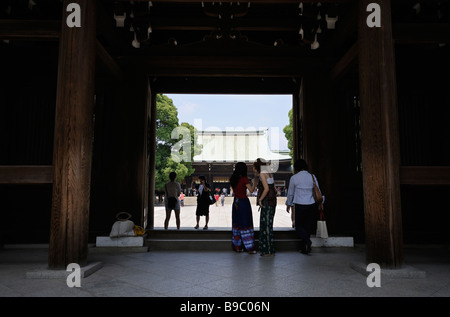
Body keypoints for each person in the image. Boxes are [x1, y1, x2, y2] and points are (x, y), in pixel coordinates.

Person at [286, 159, 324, 254]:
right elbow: (318, 191)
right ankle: (305, 248)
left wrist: (289, 204)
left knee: (298, 226)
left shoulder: (294, 178)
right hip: (311, 204)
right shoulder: (312, 177)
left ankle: (307, 242)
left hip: (299, 204)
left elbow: (290, 193)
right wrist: (321, 203)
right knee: (307, 227)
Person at [229, 162, 258, 254]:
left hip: (236, 202)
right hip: (243, 202)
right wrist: (254, 183)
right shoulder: (244, 179)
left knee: (237, 223)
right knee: (246, 223)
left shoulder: (233, 179)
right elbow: (251, 190)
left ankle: (237, 246)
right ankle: (249, 247)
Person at [254, 158, 277, 257]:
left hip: (267, 202)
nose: (253, 169)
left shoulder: (262, 174)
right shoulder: (270, 173)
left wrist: (260, 199)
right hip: (273, 202)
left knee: (265, 226)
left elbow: (266, 189)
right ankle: (270, 249)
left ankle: (266, 250)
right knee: (269, 225)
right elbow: (274, 188)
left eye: (254, 167)